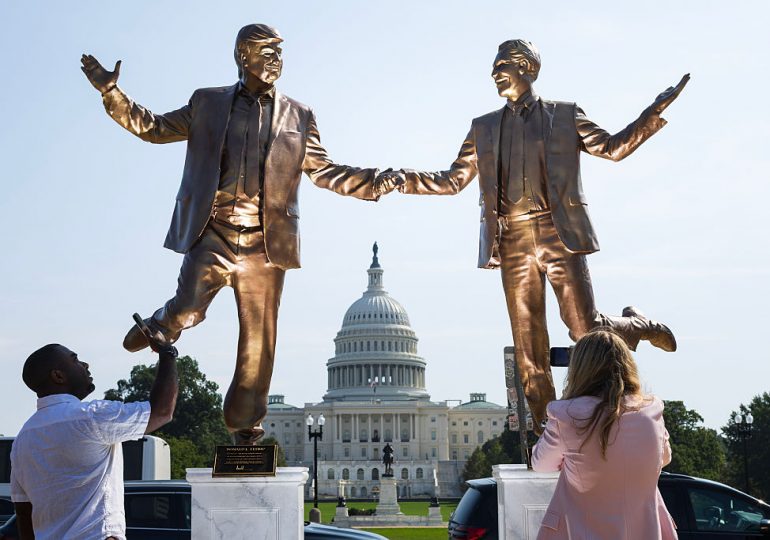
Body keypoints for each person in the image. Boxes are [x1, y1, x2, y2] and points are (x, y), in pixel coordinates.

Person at [81, 24, 384, 445]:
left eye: (281, 52)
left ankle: (244, 424)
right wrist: (111, 93)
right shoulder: (208, 102)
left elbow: (325, 171)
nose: (277, 59)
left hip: (266, 244)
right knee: (189, 308)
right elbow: (153, 128)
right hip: (215, 231)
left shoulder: (299, 115)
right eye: (267, 51)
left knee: (259, 340)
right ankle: (165, 321)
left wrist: (375, 182)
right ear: (243, 55)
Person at [376, 39, 688, 433]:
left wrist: (652, 113)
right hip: (512, 241)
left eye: (501, 65)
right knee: (528, 345)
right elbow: (453, 179)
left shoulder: (565, 115)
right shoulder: (484, 127)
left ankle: (635, 326)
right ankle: (548, 429)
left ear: (526, 67)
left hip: (558, 232)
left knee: (584, 330)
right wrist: (404, 179)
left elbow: (612, 148)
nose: (493, 74)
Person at [10, 337, 178, 540]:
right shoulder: (91, 417)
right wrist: (168, 355)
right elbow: (161, 412)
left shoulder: (22, 440)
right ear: (58, 376)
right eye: (75, 360)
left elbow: (23, 512)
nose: (85, 365)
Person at [531, 329, 677, 539]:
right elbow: (663, 458)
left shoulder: (566, 414)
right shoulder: (651, 409)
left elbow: (541, 464)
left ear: (580, 368)